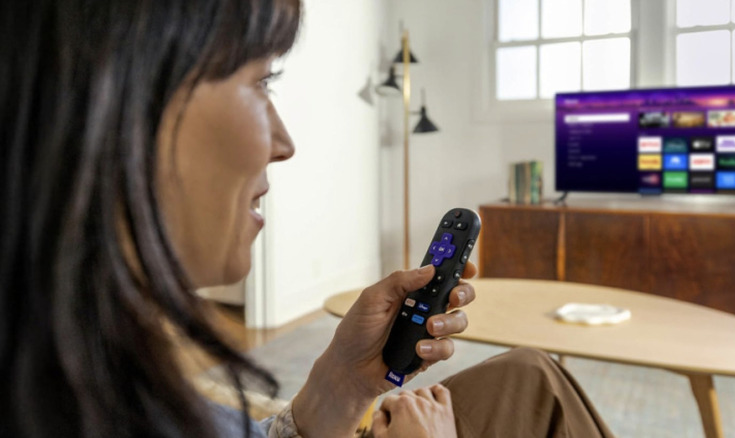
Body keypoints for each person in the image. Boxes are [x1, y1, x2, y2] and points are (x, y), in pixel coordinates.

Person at [0, 1, 614, 437]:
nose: (284, 142)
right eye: (260, 81)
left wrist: (342, 382)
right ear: (119, 107)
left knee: (530, 372)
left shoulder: (89, 356)